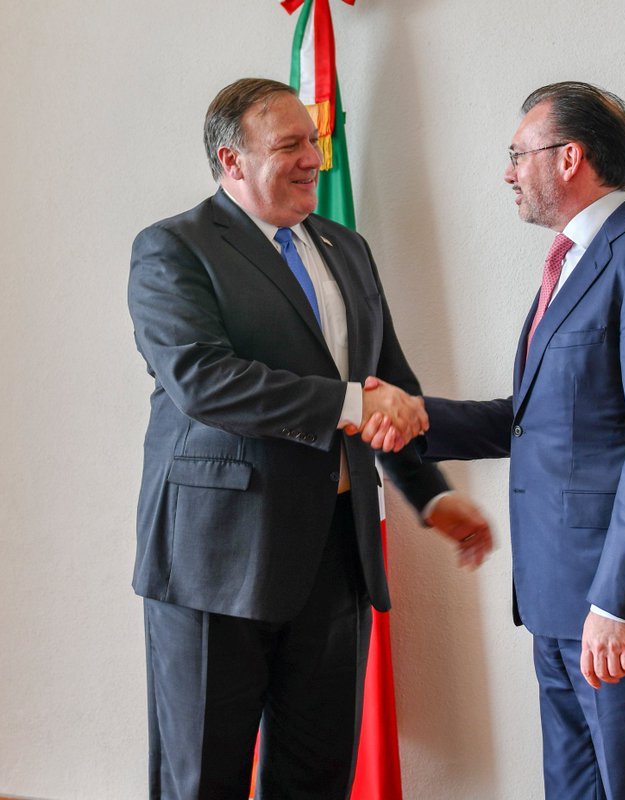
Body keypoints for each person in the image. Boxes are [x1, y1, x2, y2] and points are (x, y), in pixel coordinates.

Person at [127, 77, 492, 799]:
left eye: (315, 143)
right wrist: (354, 402)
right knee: (201, 780)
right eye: (290, 145)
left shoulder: (346, 248)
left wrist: (431, 496)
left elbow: (390, 383)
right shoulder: (172, 248)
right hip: (215, 565)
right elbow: (204, 381)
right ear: (231, 162)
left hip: (336, 559)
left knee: (319, 778)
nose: (312, 160)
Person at [374, 81, 625, 798]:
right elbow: (540, 419)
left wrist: (619, 602)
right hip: (557, 601)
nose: (508, 172)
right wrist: (414, 415)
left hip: (617, 607)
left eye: (517, 154)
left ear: (570, 158)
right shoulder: (567, 266)